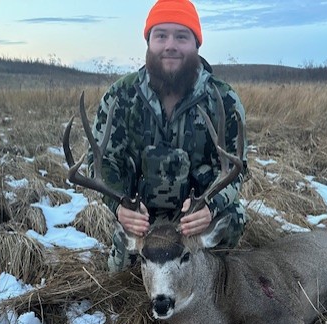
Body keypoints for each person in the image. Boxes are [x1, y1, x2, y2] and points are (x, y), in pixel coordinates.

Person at [88, 0, 248, 272]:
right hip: (141, 219)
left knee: (233, 220)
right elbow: (101, 162)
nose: (170, 45)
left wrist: (210, 206)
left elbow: (236, 168)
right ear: (149, 42)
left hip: (193, 220)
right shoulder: (121, 96)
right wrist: (120, 207)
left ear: (196, 44)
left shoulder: (223, 99)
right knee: (121, 276)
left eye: (182, 37)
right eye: (161, 36)